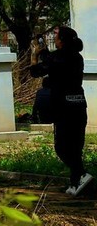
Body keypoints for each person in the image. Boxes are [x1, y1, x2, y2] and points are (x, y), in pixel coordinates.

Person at [29, 25, 92, 197]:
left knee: (62, 147)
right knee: (76, 147)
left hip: (63, 108)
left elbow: (35, 72)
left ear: (61, 40)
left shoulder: (56, 58)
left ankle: (82, 174)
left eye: (56, 35)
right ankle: (75, 184)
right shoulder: (77, 58)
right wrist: (46, 55)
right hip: (79, 105)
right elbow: (56, 64)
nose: (53, 37)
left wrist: (35, 55)